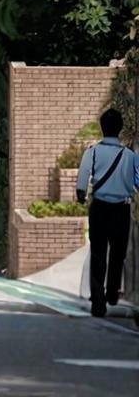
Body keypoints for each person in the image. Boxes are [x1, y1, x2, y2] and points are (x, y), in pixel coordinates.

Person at [76, 106, 139, 317]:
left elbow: (83, 176)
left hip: (100, 208)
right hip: (121, 209)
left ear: (103, 128)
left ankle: (98, 301)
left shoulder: (92, 152)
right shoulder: (130, 156)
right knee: (118, 253)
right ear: (120, 128)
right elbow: (138, 182)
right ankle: (112, 291)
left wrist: (81, 194)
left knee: (98, 253)